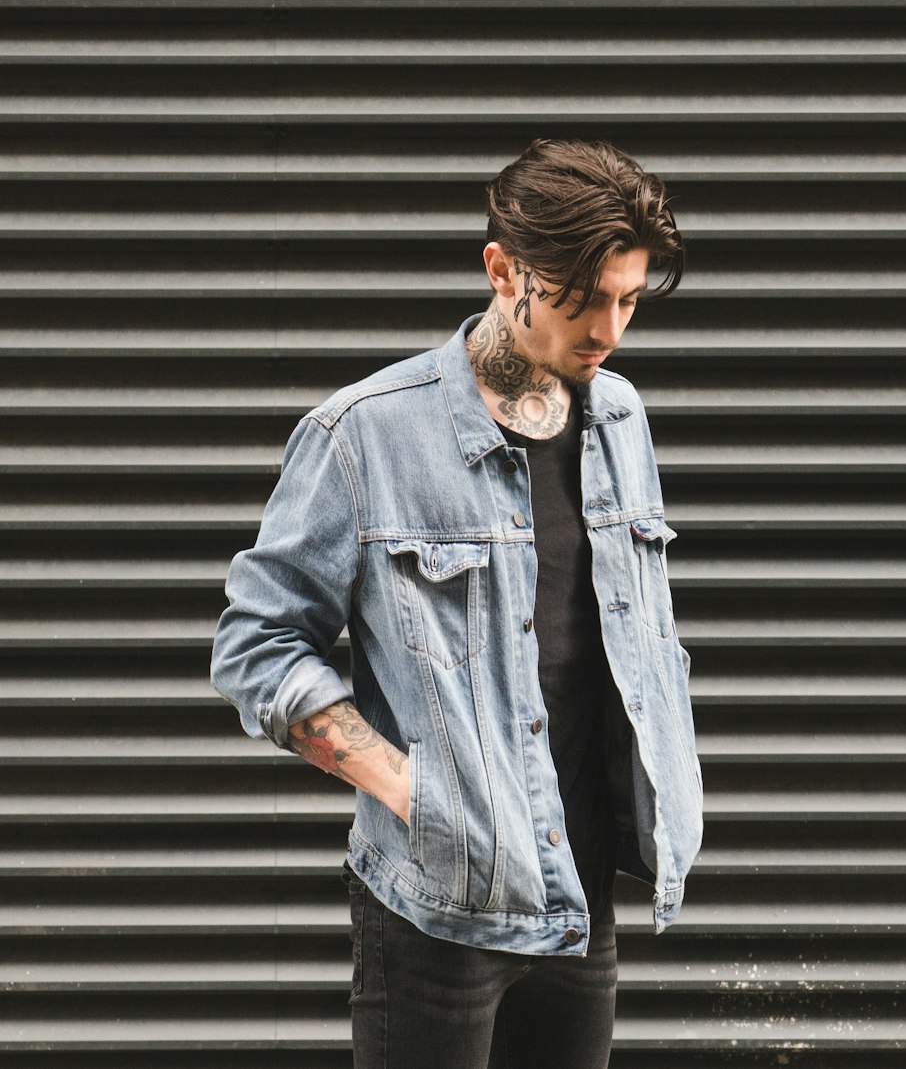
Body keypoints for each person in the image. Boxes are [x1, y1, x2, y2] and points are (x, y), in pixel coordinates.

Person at [211, 138, 703, 1069]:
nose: (608, 329)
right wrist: (408, 789)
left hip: (581, 896)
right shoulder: (365, 437)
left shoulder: (622, 422)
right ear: (502, 268)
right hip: (436, 909)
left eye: (628, 299)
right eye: (582, 297)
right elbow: (257, 644)